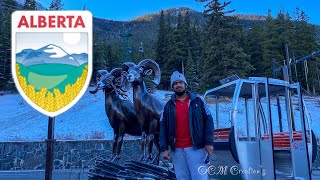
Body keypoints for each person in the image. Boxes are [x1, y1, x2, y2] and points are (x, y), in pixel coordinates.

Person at [160, 71, 214, 180]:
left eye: (180, 82)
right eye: (175, 83)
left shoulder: (198, 101)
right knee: (182, 177)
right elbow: (163, 126)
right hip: (177, 150)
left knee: (200, 177)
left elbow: (209, 121)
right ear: (172, 87)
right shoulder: (168, 106)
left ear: (185, 84)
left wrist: (209, 142)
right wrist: (164, 148)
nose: (178, 85)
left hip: (196, 148)